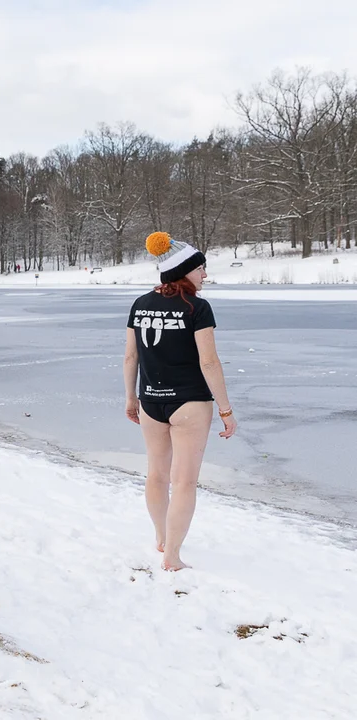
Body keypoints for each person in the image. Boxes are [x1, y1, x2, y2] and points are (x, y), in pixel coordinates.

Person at [124, 232, 237, 571]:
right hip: (189, 403)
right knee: (184, 481)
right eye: (200, 268)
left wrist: (131, 398)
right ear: (184, 271)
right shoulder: (197, 307)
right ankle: (172, 556)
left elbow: (131, 358)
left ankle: (161, 538)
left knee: (156, 475)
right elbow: (209, 363)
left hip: (151, 401)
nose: (205, 275)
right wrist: (226, 410)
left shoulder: (140, 304)